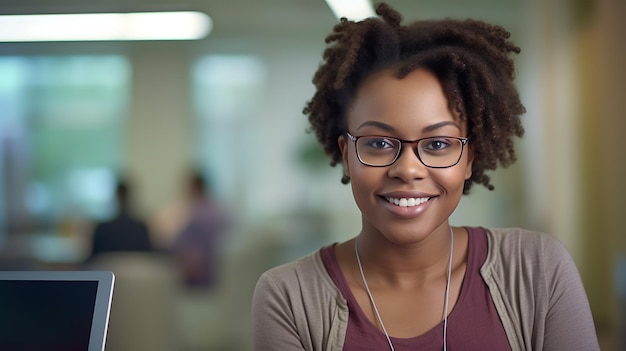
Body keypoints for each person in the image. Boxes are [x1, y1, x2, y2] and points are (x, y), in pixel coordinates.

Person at [252, 3, 600, 351]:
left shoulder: (536, 269)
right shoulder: (289, 297)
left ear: (468, 159)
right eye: (378, 143)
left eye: (437, 143)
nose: (407, 169)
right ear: (346, 156)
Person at [173, 171, 230, 289]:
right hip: (219, 276)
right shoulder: (219, 213)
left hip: (200, 279)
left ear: (194, 188)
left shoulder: (196, 216)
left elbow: (177, 245)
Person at [88, 178, 152, 260]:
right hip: (137, 270)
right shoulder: (141, 228)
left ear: (116, 197)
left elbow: (93, 257)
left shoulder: (103, 229)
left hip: (108, 268)